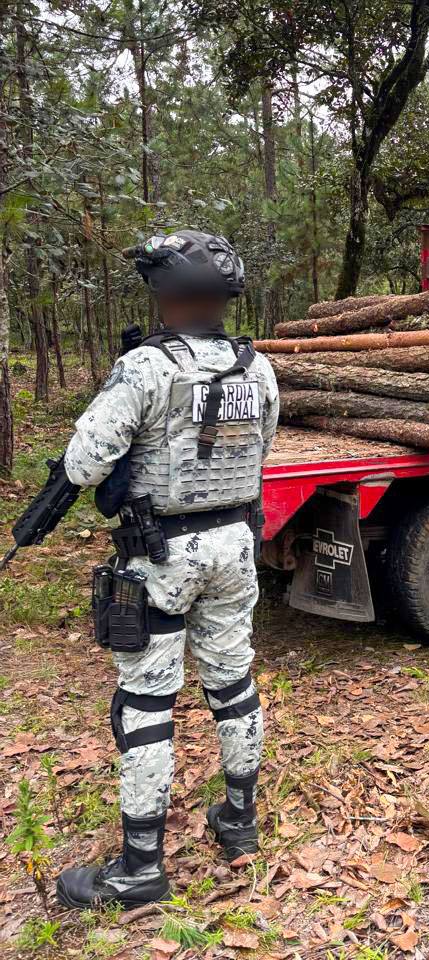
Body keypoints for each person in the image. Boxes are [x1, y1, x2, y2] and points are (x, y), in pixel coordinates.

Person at [55, 230, 280, 909]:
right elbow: (262, 448)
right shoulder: (258, 368)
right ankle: (239, 823)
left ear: (164, 295)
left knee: (147, 703)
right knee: (233, 684)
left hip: (162, 558)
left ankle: (141, 868)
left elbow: (83, 464)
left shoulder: (147, 370)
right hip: (236, 547)